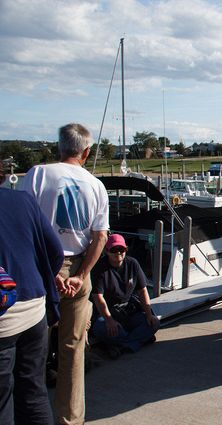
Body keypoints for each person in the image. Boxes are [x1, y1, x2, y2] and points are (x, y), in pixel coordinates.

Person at [20, 123, 109, 424]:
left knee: (33, 348)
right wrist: (82, 275)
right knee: (73, 349)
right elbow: (100, 238)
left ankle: (30, 415)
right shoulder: (96, 185)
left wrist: (50, 270)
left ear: (59, 147)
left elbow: (25, 227)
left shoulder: (38, 174)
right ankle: (70, 419)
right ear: (86, 151)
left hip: (42, 267)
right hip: (80, 269)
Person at [0, 163, 65, 425]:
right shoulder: (23, 200)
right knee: (33, 392)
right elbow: (55, 252)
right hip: (35, 308)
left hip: (4, 318)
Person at [91, 234, 159, 358]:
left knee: (153, 323)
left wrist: (149, 314)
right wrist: (109, 320)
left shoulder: (133, 263)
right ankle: (137, 341)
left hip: (128, 311)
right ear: (107, 251)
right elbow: (98, 297)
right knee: (101, 328)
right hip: (108, 313)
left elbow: (142, 291)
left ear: (126, 250)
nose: (118, 253)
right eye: (114, 249)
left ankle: (121, 346)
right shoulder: (99, 268)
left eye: (121, 249)